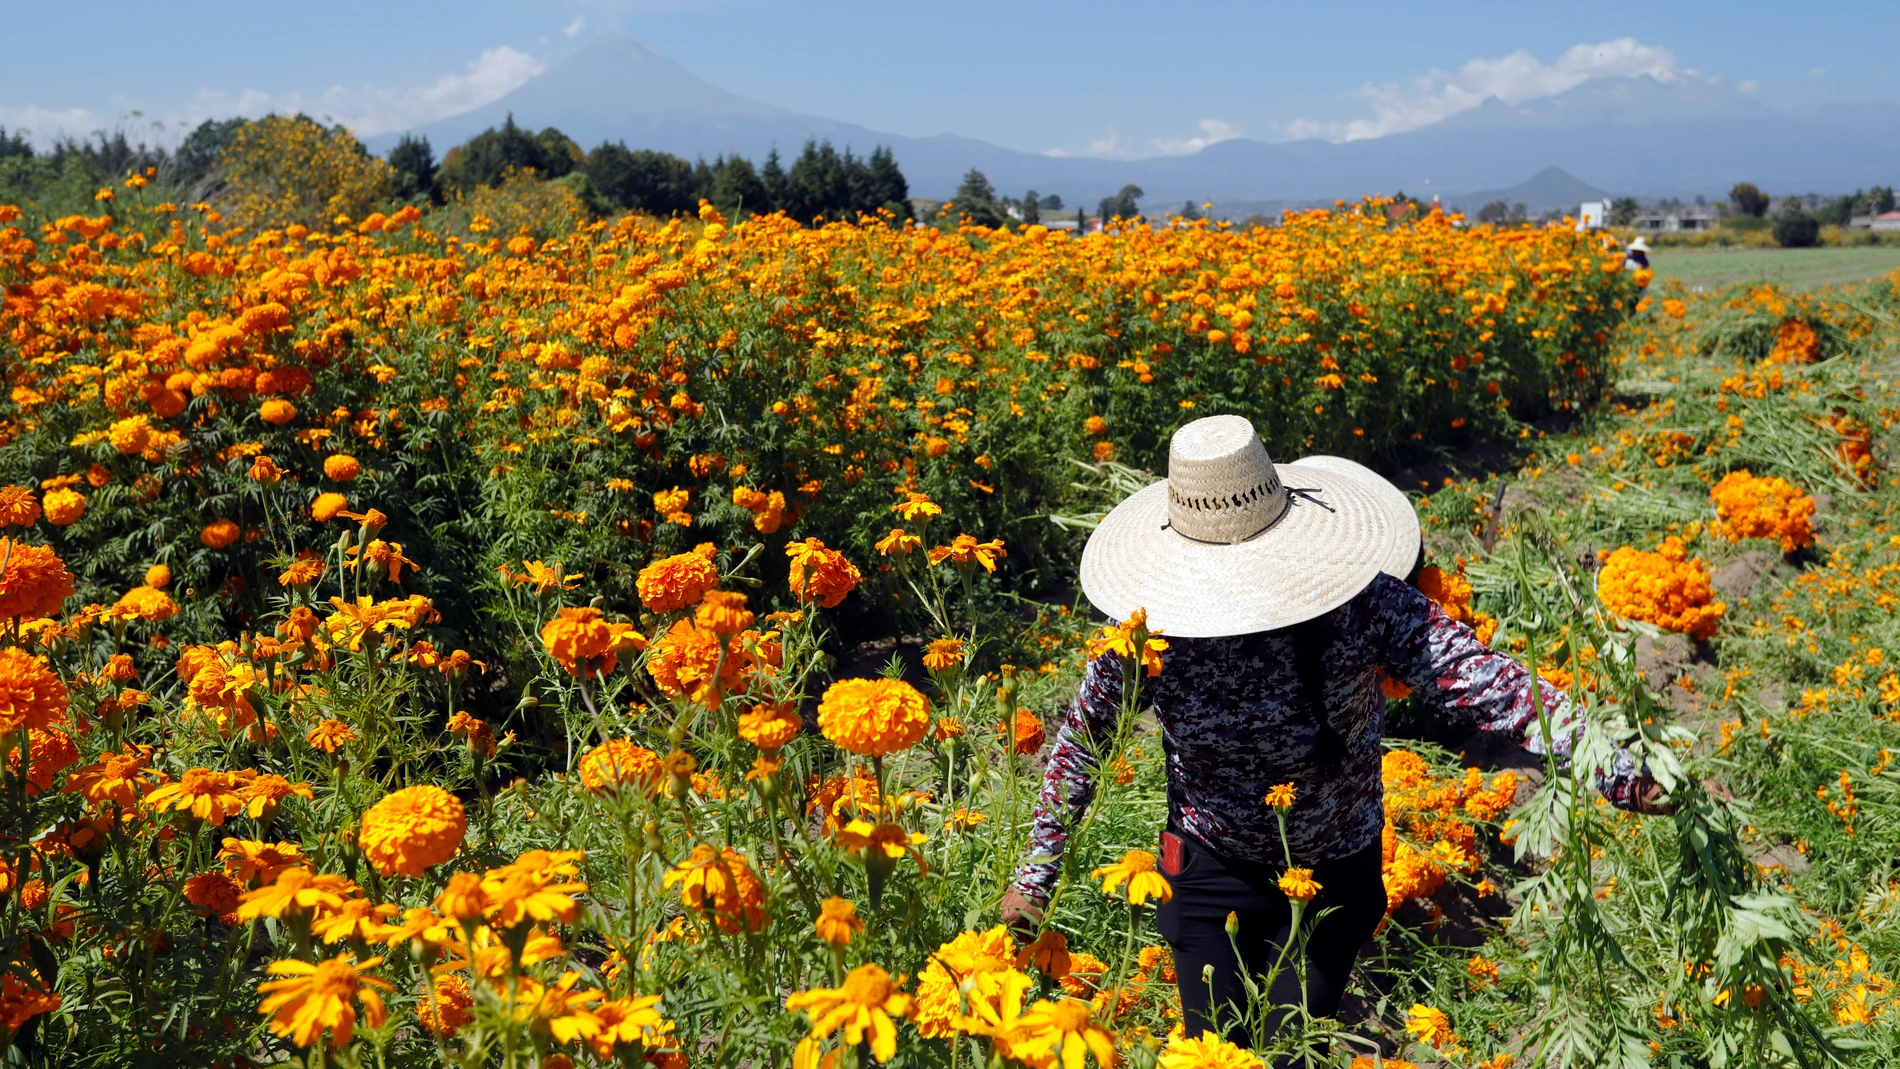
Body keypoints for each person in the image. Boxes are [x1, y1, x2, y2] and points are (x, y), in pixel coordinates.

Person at [998, 415, 1667, 1053]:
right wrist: (1035, 878)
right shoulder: (1151, 631)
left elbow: (1488, 680)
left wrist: (1609, 760)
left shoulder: (1363, 602)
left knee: (1292, 1049)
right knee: (1212, 1053)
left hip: (1333, 876)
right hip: (1210, 868)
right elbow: (1080, 746)